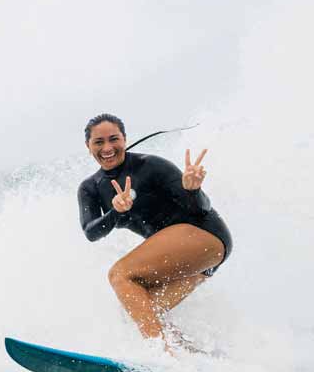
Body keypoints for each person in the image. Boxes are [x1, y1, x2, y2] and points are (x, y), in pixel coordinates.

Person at [77, 113, 232, 348]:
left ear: (125, 139)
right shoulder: (90, 188)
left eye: (114, 139)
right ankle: (188, 355)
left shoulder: (151, 165)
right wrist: (115, 212)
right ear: (88, 146)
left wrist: (193, 190)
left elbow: (200, 209)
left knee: (119, 275)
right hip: (201, 262)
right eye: (99, 142)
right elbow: (91, 232)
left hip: (204, 235)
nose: (107, 147)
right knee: (140, 308)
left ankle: (162, 357)